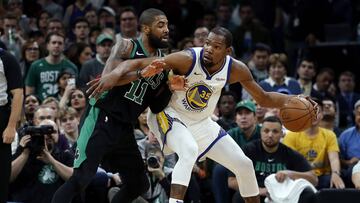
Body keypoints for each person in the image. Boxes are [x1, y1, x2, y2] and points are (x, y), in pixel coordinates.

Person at [88, 27, 319, 203]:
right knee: (188, 151)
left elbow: (264, 98)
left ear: (227, 51)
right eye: (207, 43)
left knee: (244, 164)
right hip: (168, 115)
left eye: (216, 46)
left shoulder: (236, 69)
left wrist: (293, 100)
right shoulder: (187, 58)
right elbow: (142, 62)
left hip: (201, 122)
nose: (209, 49)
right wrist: (113, 75)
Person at [51, 8, 177, 203]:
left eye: (167, 25)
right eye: (160, 25)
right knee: (81, 179)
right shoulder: (127, 46)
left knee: (138, 184)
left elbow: (156, 106)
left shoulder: (163, 61)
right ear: (145, 28)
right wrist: (142, 72)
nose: (166, 29)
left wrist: (170, 87)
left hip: (125, 126)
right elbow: (108, 79)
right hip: (102, 117)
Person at [229, 116, 318, 203]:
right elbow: (232, 181)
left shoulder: (290, 153)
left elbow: (314, 179)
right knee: (239, 197)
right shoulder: (248, 150)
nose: (270, 135)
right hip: (257, 194)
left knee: (308, 195)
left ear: (282, 134)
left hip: (284, 196)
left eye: (275, 131)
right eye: (266, 131)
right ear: (261, 132)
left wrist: (290, 173)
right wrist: (258, 190)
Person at [0, 48, 23, 203]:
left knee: (1, 172)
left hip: (1, 115)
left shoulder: (7, 58)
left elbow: (18, 94)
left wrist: (11, 126)